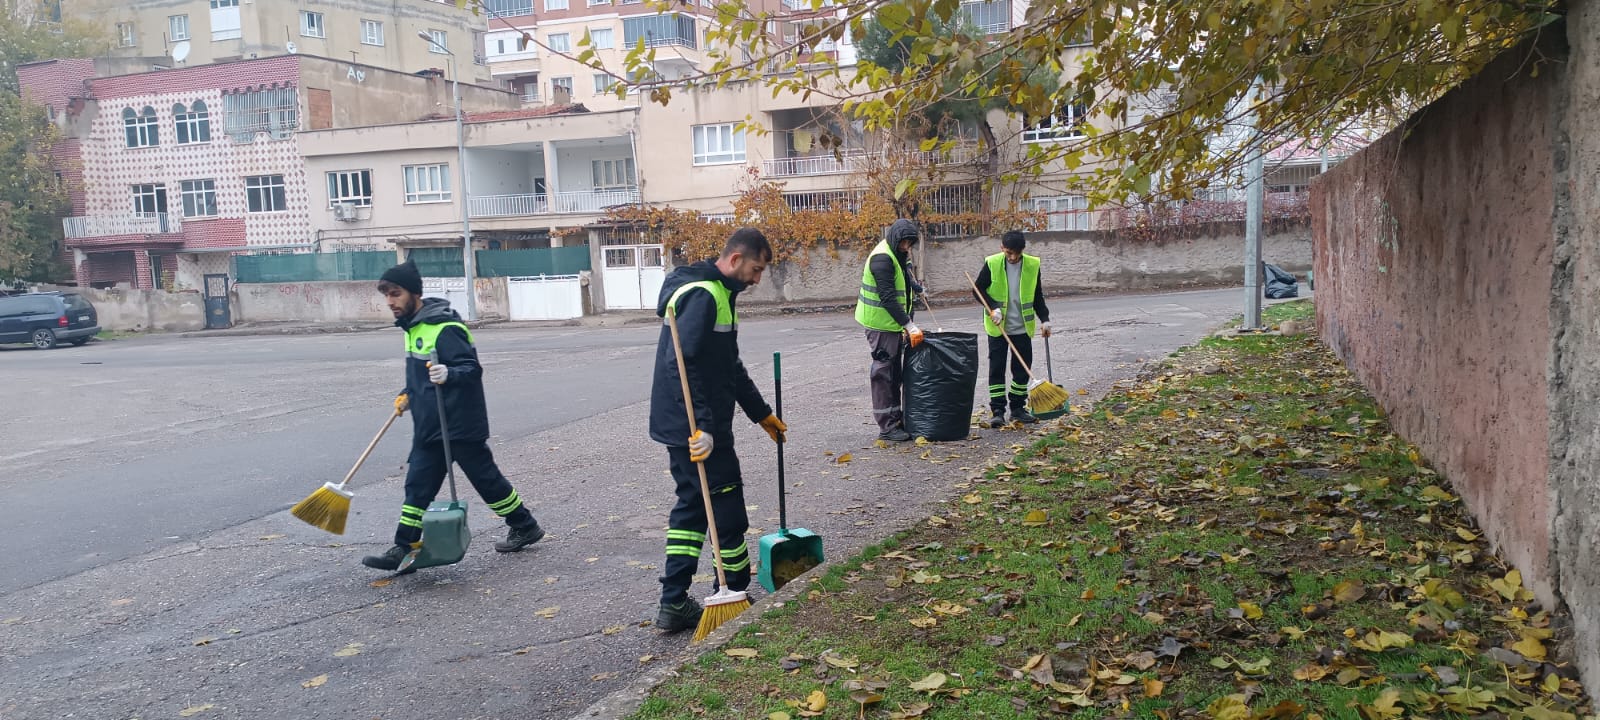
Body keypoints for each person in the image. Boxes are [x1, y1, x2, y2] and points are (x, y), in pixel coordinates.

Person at [361, 260, 545, 571]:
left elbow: (471, 369)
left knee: (487, 481)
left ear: (413, 293)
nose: (390, 302)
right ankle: (404, 546)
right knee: (417, 485)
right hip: (429, 424)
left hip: (458, 423)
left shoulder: (445, 328)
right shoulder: (413, 326)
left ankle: (524, 525)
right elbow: (422, 372)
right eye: (387, 296)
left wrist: (450, 373)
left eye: (396, 294)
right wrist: (409, 393)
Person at [649, 228, 787, 632]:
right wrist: (705, 429)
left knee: (693, 507)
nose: (758, 279)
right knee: (725, 506)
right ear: (734, 259)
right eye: (756, 269)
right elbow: (684, 365)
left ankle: (673, 601)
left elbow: (728, 366)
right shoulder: (703, 296)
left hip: (692, 423)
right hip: (694, 427)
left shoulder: (719, 294)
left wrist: (760, 413)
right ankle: (734, 590)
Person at [971, 230, 1052, 428]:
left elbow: (1037, 295)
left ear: (1023, 250)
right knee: (996, 369)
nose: (1013, 257)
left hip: (1022, 327)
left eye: (1017, 253)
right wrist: (993, 308)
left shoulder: (1032, 265)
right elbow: (977, 289)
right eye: (1009, 253)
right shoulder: (992, 263)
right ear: (1002, 248)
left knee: (1022, 370)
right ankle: (997, 411)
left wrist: (1045, 319)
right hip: (999, 328)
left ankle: (1017, 408)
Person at [855, 218, 925, 442]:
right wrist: (909, 324)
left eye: (909, 244)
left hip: (892, 325)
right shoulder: (882, 258)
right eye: (904, 243)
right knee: (883, 375)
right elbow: (887, 297)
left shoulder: (896, 253)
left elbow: (903, 276)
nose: (906, 248)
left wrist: (916, 287)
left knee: (895, 375)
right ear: (896, 239)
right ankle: (887, 427)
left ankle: (896, 420)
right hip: (880, 325)